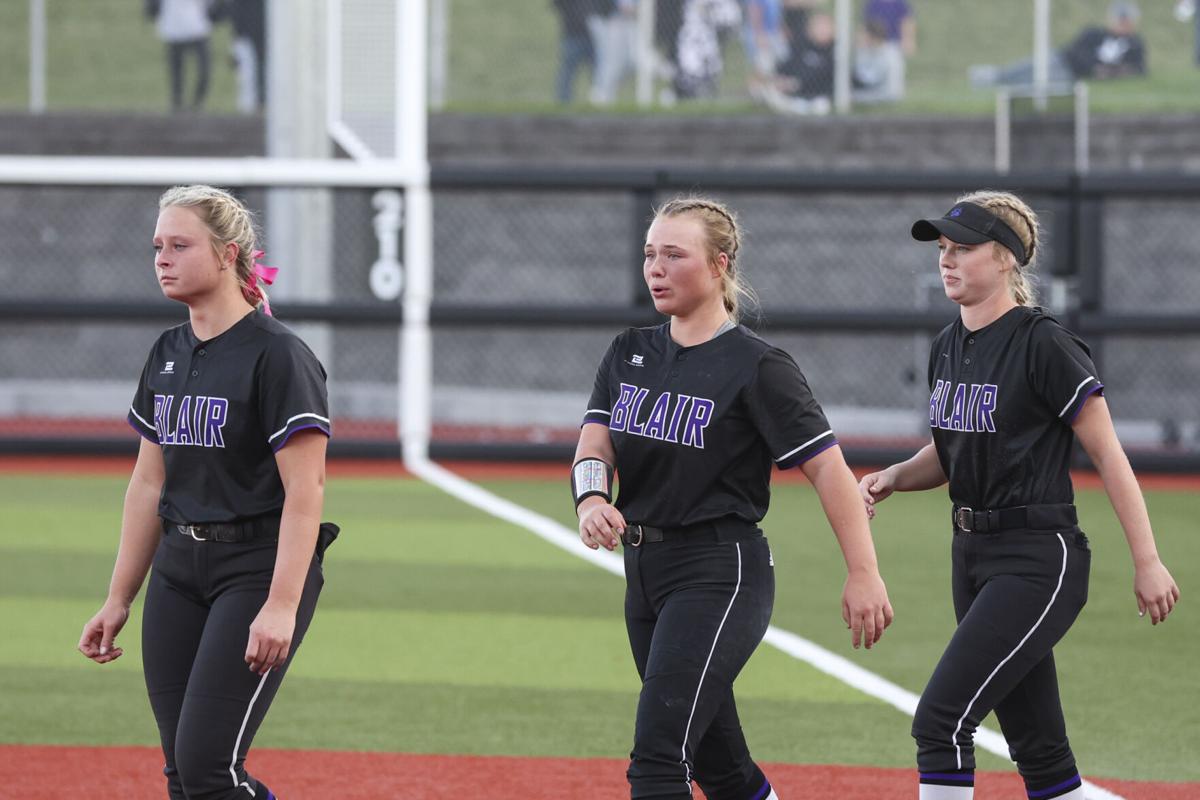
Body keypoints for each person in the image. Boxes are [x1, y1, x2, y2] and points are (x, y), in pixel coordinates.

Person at [858, 191, 1180, 800]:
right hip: (972, 556)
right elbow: (953, 450)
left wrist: (1147, 560)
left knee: (941, 722)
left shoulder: (1043, 344)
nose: (947, 261)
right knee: (1042, 758)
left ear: (1006, 258)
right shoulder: (947, 345)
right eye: (943, 250)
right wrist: (895, 476)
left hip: (1038, 558)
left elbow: (1109, 455)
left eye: (963, 248)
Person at [574, 196, 894, 800]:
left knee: (659, 759)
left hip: (719, 572)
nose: (656, 268)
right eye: (649, 254)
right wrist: (591, 501)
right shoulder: (629, 351)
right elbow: (595, 444)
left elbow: (829, 471)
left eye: (674, 254)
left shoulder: (758, 365)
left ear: (719, 265)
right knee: (722, 768)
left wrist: (864, 572)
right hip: (645, 572)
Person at [78, 185, 337, 800]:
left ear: (227, 254)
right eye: (157, 247)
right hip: (176, 571)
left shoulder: (279, 355)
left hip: (253, 570)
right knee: (181, 776)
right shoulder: (167, 351)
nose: (162, 258)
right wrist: (119, 597)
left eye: (180, 245)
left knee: (209, 772)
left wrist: (280, 603)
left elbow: (308, 488)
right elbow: (148, 480)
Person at [970, 1, 1145, 89]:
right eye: (1120, 19)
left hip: (1071, 75)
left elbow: (1138, 69)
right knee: (1021, 69)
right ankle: (986, 77)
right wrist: (1095, 68)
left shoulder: (1135, 44)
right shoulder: (1095, 33)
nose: (1123, 24)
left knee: (1030, 84)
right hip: (1061, 60)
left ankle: (998, 86)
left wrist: (1109, 72)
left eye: (1126, 20)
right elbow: (1078, 50)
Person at [145, 0, 215, 112]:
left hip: (198, 26)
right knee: (176, 72)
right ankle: (177, 106)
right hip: (174, 27)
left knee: (204, 70)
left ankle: (197, 104)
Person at [861, 0, 914, 99]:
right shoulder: (873, 3)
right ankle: (874, 94)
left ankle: (895, 95)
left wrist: (908, 39)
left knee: (894, 68)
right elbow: (866, 23)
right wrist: (865, 41)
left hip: (893, 43)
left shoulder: (900, 3)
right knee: (874, 71)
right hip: (875, 43)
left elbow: (906, 22)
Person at [552, 0, 597, 104]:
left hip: (595, 36)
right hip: (572, 34)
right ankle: (563, 103)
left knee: (599, 74)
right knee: (567, 73)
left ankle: (598, 102)